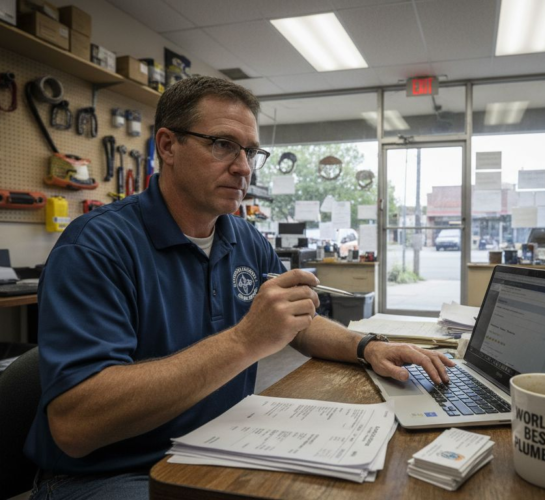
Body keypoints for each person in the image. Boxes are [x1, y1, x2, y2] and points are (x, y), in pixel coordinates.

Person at [25, 76, 454, 500]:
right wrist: (246, 340)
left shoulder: (243, 237)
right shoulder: (96, 246)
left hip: (216, 447)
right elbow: (75, 426)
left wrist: (368, 347)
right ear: (168, 146)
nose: (244, 167)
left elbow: (296, 321)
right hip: (111, 474)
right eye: (222, 144)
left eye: (250, 151)